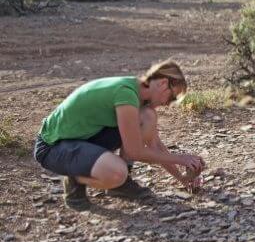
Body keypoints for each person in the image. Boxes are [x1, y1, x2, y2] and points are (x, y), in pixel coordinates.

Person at [33, 60, 206, 210]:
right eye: (172, 98)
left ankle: (120, 186)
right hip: (52, 147)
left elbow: (154, 144)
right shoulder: (126, 93)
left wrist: (182, 178)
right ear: (162, 83)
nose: (168, 104)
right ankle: (75, 179)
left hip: (82, 139)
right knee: (116, 173)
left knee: (147, 117)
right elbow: (134, 151)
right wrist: (181, 158)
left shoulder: (138, 96)